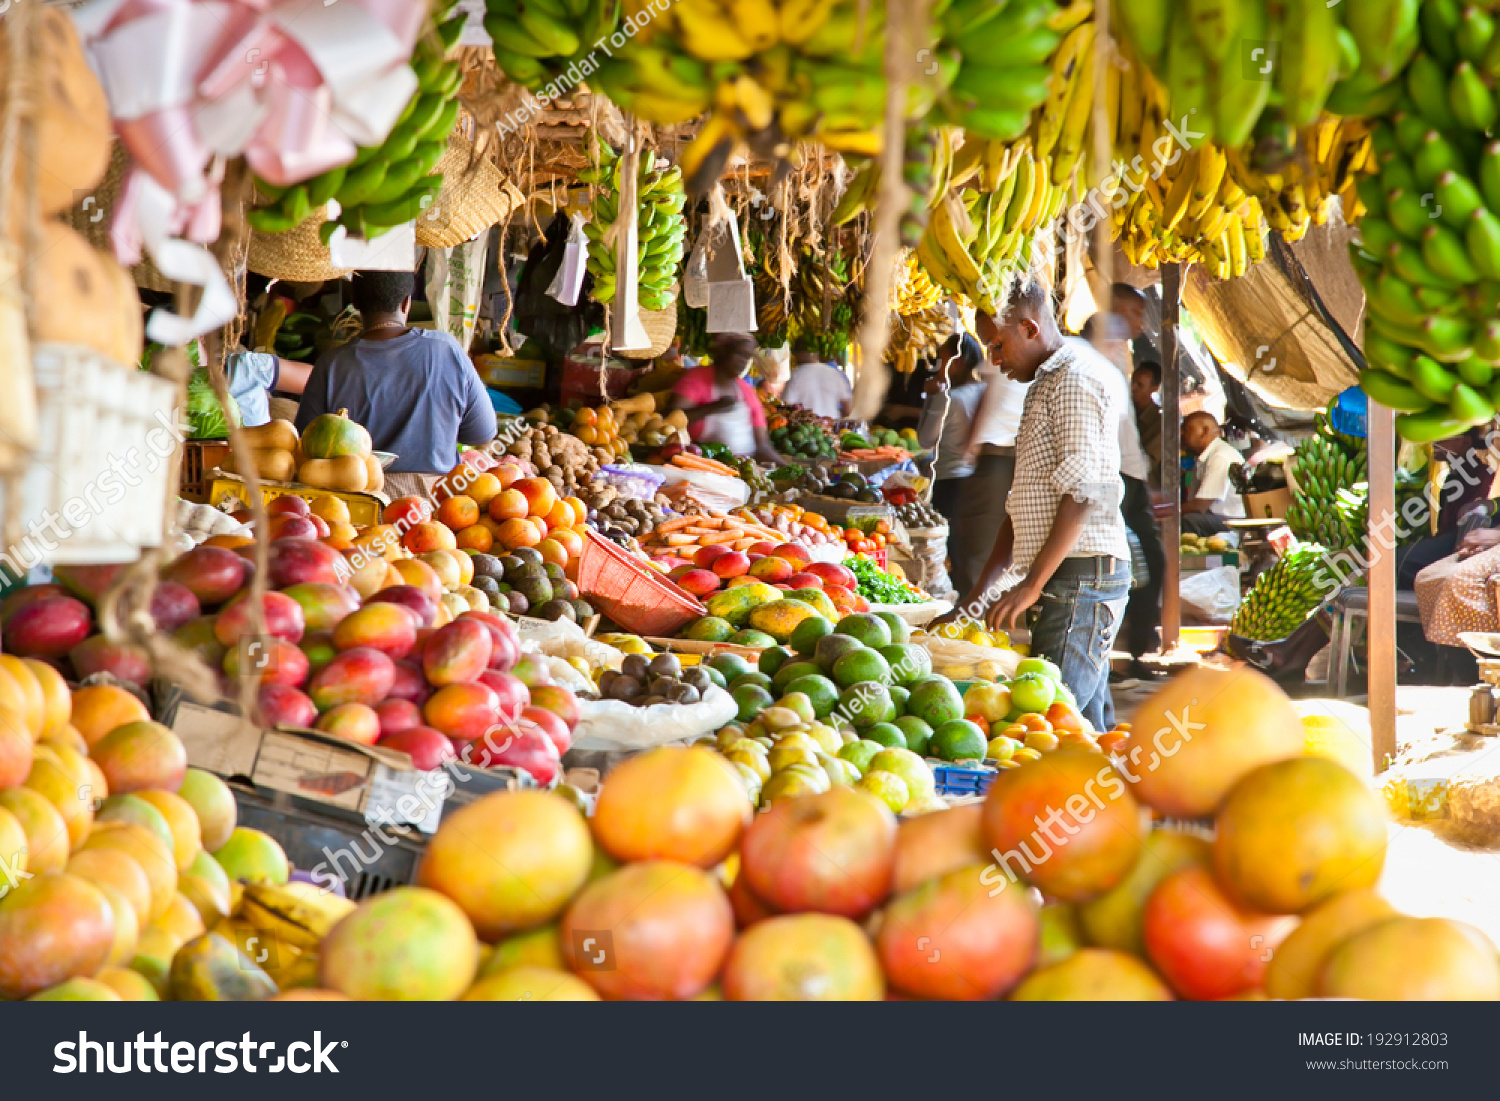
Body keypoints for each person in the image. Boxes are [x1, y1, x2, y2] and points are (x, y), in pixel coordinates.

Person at [946, 279, 1133, 732]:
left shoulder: (1075, 380)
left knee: (1045, 724)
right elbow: (1022, 506)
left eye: (996, 345)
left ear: (1029, 328)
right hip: (1066, 578)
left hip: (1082, 579)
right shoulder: (1044, 380)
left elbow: (1084, 493)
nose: (993, 359)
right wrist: (973, 600)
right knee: (1077, 726)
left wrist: (1032, 583)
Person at [295, 271, 497, 497]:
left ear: (356, 303)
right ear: (406, 302)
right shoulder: (447, 350)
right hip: (436, 511)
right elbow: (482, 433)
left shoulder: (330, 365)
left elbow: (306, 447)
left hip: (356, 507)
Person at [917, 333, 987, 597]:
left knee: (954, 556)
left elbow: (925, 439)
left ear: (958, 362)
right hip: (982, 481)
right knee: (972, 555)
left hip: (951, 485)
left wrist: (933, 397)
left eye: (943, 359)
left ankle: (958, 612)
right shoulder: (986, 392)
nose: (939, 366)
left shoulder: (951, 398)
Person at [668, 332, 783, 464]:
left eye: (747, 357)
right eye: (739, 353)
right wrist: (714, 407)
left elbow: (763, 447)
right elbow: (671, 420)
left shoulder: (747, 392)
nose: (743, 361)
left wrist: (793, 470)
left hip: (741, 470)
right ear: (722, 351)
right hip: (699, 467)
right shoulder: (696, 379)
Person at [1181, 410, 1246, 535]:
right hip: (1218, 518)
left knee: (1188, 521)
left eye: (1187, 429)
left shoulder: (1220, 456)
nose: (1182, 434)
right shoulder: (1205, 456)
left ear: (1204, 431)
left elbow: (1200, 506)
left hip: (1232, 521)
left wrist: (1173, 510)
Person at [781, 343, 853, 419]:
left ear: (798, 354)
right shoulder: (833, 373)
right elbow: (847, 410)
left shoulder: (795, 375)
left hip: (807, 427)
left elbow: (786, 407)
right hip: (831, 426)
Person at [1131, 361, 1163, 489]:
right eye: (1132, 382)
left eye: (1140, 385)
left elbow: (1147, 463)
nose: (1133, 388)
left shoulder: (1159, 424)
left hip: (1145, 490)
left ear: (1154, 388)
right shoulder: (1125, 414)